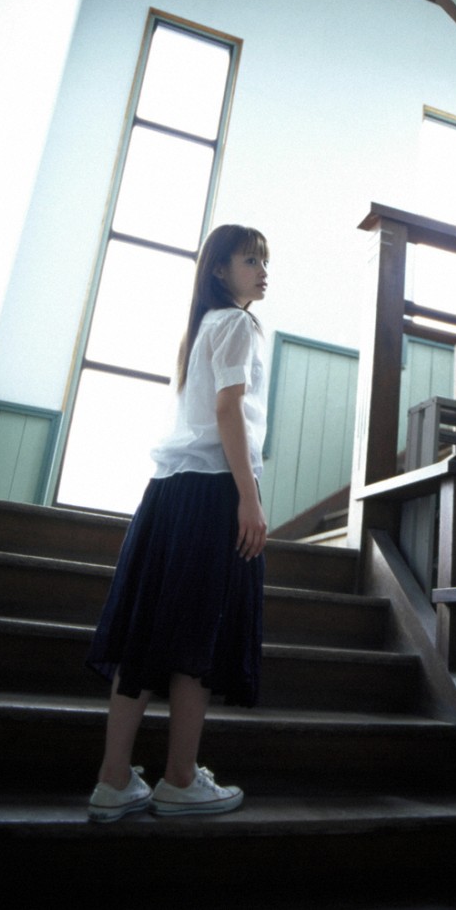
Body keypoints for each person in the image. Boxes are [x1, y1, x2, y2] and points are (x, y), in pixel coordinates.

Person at [86, 224, 270, 821]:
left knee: (145, 633)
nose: (263, 271)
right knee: (198, 634)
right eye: (250, 260)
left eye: (264, 261)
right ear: (219, 269)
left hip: (168, 492)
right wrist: (249, 497)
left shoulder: (203, 327)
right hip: (212, 491)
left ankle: (114, 779)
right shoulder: (237, 323)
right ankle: (180, 778)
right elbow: (228, 409)